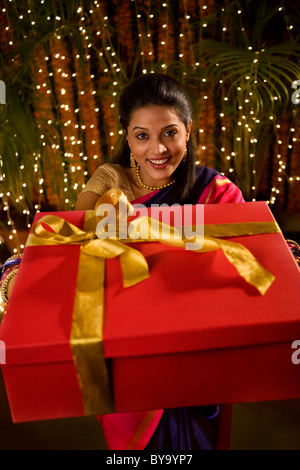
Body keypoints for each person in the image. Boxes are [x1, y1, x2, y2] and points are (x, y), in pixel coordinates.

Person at [75, 73, 244, 450]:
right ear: (127, 136)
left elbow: (245, 259)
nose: (158, 149)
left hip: (199, 351)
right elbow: (75, 243)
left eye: (169, 133)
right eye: (142, 136)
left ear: (188, 130)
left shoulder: (215, 191)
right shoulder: (109, 181)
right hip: (128, 348)